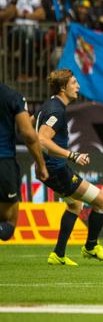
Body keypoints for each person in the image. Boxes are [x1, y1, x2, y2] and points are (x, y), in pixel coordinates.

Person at [35, 69, 103, 264]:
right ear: (63, 87)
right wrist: (72, 155)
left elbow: (31, 123)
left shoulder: (49, 104)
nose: (78, 86)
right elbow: (42, 139)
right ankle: (91, 247)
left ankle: (58, 254)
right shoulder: (56, 110)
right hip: (57, 172)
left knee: (75, 205)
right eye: (74, 83)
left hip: (48, 170)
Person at [0, 80, 47, 243]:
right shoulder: (12, 97)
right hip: (3, 161)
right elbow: (29, 134)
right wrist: (41, 164)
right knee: (8, 221)